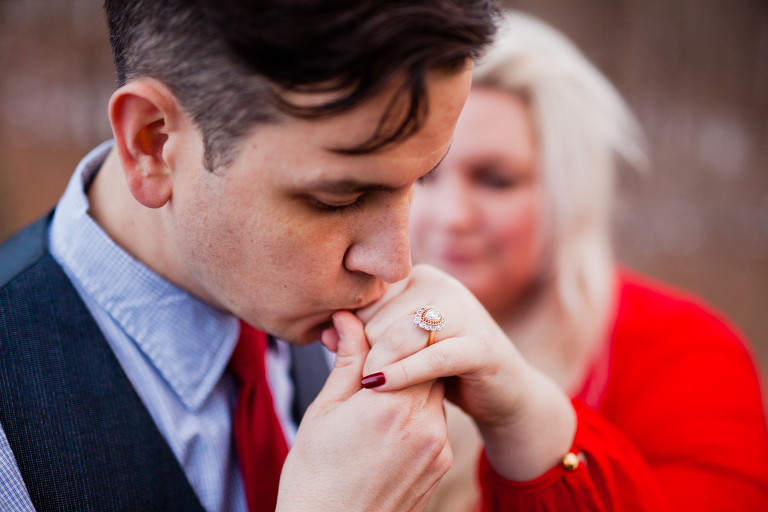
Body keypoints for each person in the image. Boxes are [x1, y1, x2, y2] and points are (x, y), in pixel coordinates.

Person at [0, 1, 500, 511]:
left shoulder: (374, 336)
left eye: (422, 177)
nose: (397, 264)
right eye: (339, 199)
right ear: (152, 143)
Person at [400, 10, 768, 511]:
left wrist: (533, 426)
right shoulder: (325, 335)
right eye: (423, 175)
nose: (451, 216)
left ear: (567, 192)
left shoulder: (686, 352)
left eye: (496, 179)